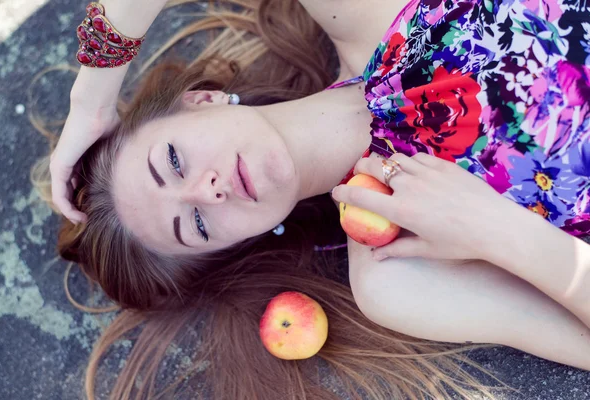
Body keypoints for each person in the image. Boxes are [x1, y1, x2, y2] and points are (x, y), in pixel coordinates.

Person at [37, 0, 590, 398]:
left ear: (201, 101)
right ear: (242, 242)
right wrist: (502, 233)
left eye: (173, 162)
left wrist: (90, 99)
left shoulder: (352, 11)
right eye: (198, 225)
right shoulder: (395, 273)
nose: (209, 190)